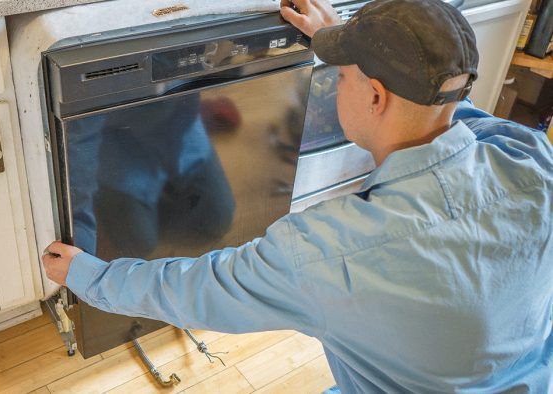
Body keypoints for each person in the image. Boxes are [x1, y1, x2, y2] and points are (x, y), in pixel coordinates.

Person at [43, 0, 553, 391]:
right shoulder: (529, 158)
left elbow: (197, 288)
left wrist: (90, 277)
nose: (333, 84)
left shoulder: (330, 253)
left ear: (375, 96)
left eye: (343, 76)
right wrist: (337, 39)